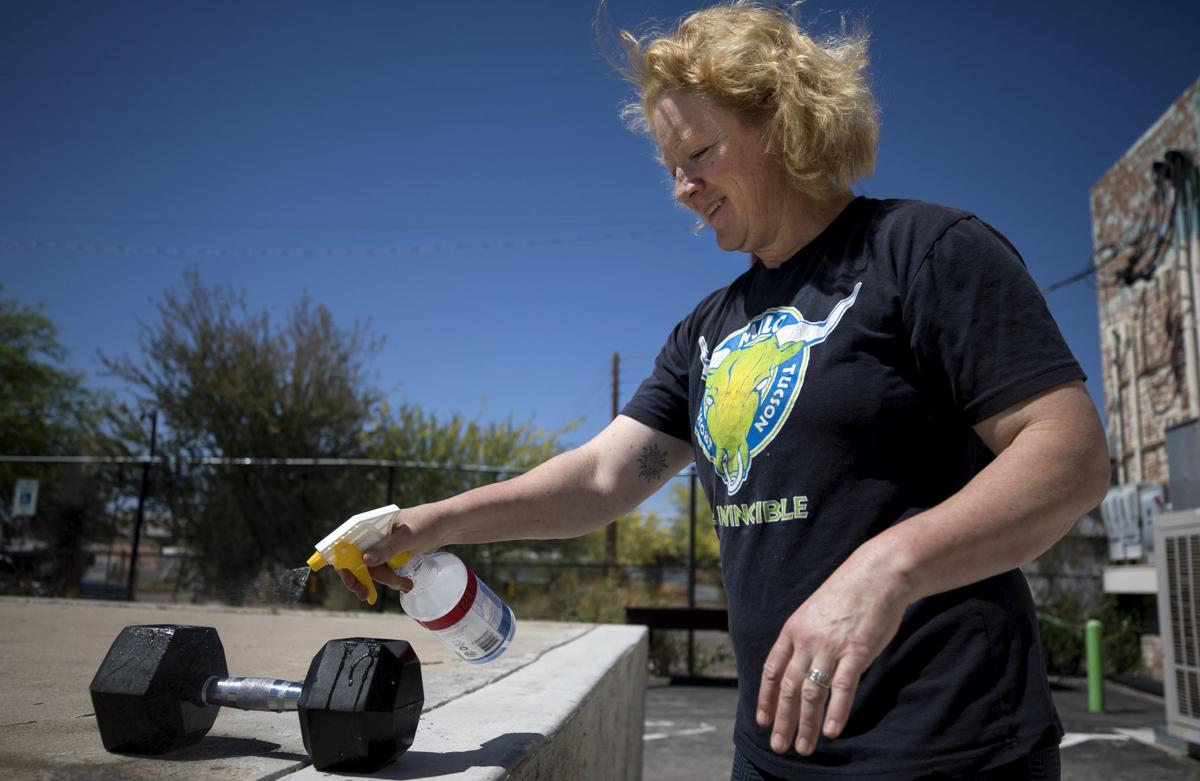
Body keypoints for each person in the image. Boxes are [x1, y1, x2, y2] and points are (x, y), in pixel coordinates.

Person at [342, 3, 1109, 778]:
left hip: (952, 750)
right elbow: (602, 477)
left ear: (786, 124)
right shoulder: (706, 330)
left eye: (702, 151)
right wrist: (427, 524)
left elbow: (1068, 454)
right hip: (772, 755)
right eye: (672, 165)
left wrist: (888, 567)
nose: (682, 187)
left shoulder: (926, 252)